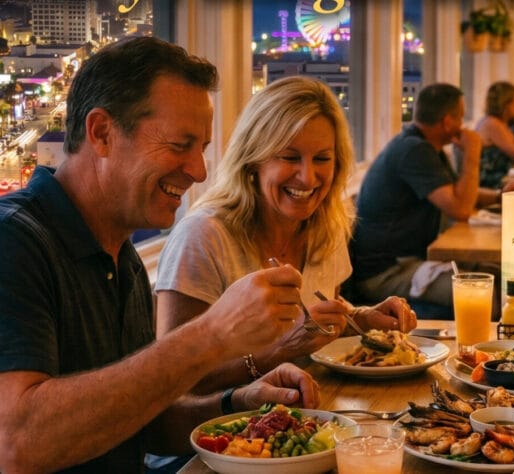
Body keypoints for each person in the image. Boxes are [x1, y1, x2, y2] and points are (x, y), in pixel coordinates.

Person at [0, 36, 319, 473]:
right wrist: (213, 333)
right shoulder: (14, 241)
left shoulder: (121, 254)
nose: (199, 171)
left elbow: (133, 420)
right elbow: (16, 444)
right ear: (102, 133)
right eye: (179, 144)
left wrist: (241, 402)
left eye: (202, 148)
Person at [155, 76, 417, 396]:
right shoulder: (202, 238)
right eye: (290, 157)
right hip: (214, 438)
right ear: (253, 160)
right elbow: (172, 383)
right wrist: (281, 350)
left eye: (322, 158)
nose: (307, 176)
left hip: (307, 418)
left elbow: (317, 323)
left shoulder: (327, 228)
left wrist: (362, 320)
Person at [349, 83, 512, 311]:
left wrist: (499, 195)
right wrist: (472, 153)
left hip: (411, 261)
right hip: (386, 272)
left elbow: (458, 192)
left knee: (500, 273)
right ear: (447, 121)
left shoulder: (425, 146)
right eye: (460, 118)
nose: (463, 126)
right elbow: (460, 209)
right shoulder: (414, 150)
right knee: (488, 296)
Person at [474, 81, 514, 188]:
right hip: (490, 182)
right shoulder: (492, 124)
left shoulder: (501, 123)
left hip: (504, 177)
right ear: (506, 104)